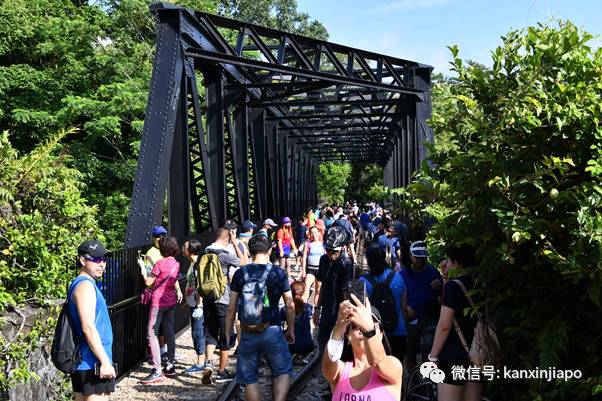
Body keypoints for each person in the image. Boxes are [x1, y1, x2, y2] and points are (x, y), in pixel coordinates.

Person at [226, 235, 295, 401]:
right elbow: (290, 305)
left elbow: (231, 307)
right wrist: (291, 329)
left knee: (249, 379)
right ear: (270, 250)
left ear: (250, 252)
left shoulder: (240, 273)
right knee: (282, 372)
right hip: (273, 329)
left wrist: (228, 332)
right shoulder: (278, 273)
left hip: (248, 331)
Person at [322, 296, 403, 401]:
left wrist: (368, 329)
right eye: (355, 327)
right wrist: (339, 326)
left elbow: (378, 362)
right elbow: (328, 365)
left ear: (381, 335)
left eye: (372, 325)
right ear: (348, 337)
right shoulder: (340, 371)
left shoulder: (393, 365)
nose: (361, 329)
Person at [429, 244, 483, 401]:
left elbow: (444, 325)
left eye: (449, 260)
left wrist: (433, 357)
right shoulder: (479, 283)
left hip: (453, 355)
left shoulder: (454, 287)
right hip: (478, 355)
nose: (446, 263)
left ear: (457, 264)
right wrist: (446, 279)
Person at [69, 240, 116, 400]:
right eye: (96, 259)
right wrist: (104, 361)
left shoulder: (81, 284)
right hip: (92, 362)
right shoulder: (85, 286)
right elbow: (88, 327)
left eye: (104, 260)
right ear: (82, 260)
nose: (102, 264)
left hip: (86, 362)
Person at [139, 235, 183, 384]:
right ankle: (170, 366)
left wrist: (142, 268)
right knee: (169, 332)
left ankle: (157, 369)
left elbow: (148, 282)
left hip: (158, 303)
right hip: (171, 302)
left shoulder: (159, 263)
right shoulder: (176, 264)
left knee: (151, 333)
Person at [201, 227, 243, 384]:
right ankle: (222, 371)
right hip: (223, 299)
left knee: (210, 332)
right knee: (225, 334)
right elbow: (244, 262)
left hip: (208, 298)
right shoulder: (225, 255)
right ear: (226, 239)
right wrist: (234, 241)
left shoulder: (204, 252)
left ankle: (208, 363)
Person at [360, 243, 408, 363]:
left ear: (368, 260)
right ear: (384, 258)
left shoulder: (363, 282)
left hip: (374, 333)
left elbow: (361, 310)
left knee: (377, 367)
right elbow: (404, 307)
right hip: (399, 330)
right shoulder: (397, 277)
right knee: (397, 365)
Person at [400, 241, 443, 372]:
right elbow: (397, 296)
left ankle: (429, 380)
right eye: (417, 257)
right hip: (411, 320)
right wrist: (405, 308)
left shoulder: (432, 272)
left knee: (429, 350)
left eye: (423, 258)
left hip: (429, 317)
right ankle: (414, 382)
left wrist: (441, 285)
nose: (420, 260)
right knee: (410, 352)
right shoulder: (402, 275)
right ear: (411, 257)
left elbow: (442, 294)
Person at [313, 230, 354, 355]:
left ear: (341, 249)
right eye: (328, 251)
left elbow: (345, 291)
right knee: (323, 341)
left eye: (334, 251)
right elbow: (321, 286)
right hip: (326, 308)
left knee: (339, 344)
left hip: (339, 310)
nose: (331, 254)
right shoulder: (323, 260)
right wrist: (317, 308)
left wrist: (345, 316)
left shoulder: (346, 264)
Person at [182, 239, 207, 375]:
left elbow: (200, 285)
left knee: (198, 332)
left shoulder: (197, 264)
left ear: (190, 250)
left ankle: (200, 363)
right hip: (193, 303)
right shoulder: (193, 263)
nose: (182, 248)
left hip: (198, 305)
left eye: (185, 246)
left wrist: (198, 305)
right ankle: (203, 361)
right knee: (197, 331)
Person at [280, 281, 314, 364]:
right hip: (308, 345)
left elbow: (279, 327)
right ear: (303, 292)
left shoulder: (284, 309)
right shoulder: (309, 307)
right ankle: (301, 355)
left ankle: (291, 355)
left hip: (292, 345)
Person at [301, 226, 325, 303]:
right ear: (310, 234)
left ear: (318, 233)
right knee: (306, 287)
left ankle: (315, 310)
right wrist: (303, 271)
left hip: (320, 270)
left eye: (315, 232)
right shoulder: (308, 244)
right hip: (310, 270)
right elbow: (304, 259)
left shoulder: (323, 245)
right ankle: (303, 308)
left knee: (318, 290)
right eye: (312, 233)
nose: (314, 234)